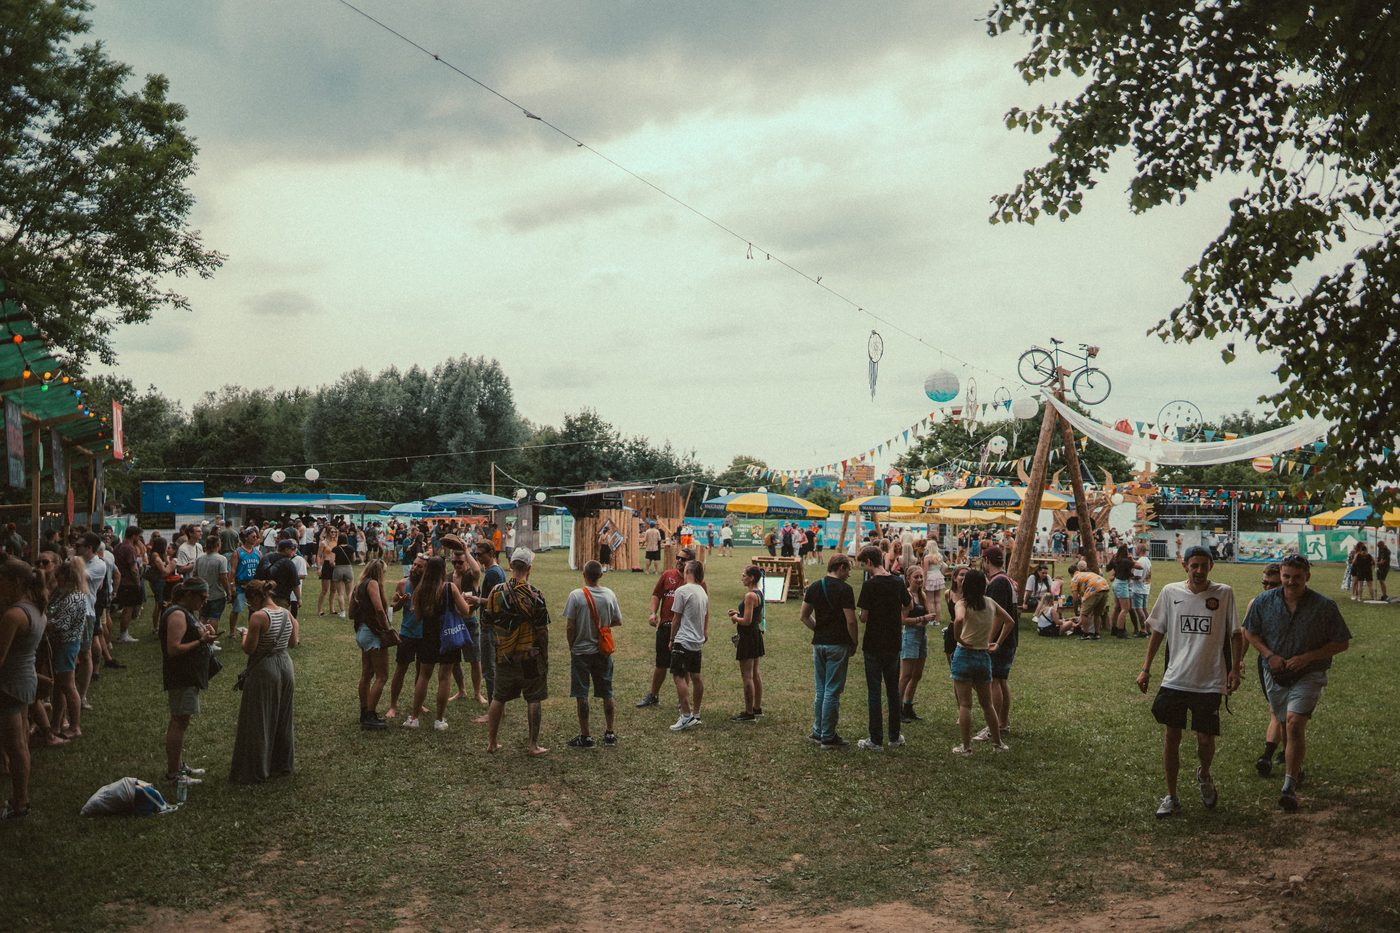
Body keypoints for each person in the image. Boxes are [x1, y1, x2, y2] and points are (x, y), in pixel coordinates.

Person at [1135, 545, 1243, 819]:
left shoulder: (1224, 593)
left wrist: (1234, 670)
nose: (1198, 570)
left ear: (1210, 567)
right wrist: (1146, 668)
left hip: (1210, 679)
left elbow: (1236, 634)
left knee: (1205, 739)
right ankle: (1172, 796)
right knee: (1172, 736)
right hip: (1176, 679)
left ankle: (1204, 774)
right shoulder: (1171, 592)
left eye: (1203, 565)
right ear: (1185, 565)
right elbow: (1157, 631)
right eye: (1193, 565)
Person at [1241, 554, 1351, 812]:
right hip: (1276, 673)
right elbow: (1250, 632)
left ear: (1307, 577)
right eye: (1286, 576)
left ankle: (1288, 786)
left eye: (1296, 577)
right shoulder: (1264, 601)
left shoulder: (1324, 606)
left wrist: (1307, 658)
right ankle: (1295, 768)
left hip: (1309, 673)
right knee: (1281, 721)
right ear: (1280, 575)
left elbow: (1342, 642)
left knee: (1294, 723)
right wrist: (1270, 656)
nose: (1290, 582)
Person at [229, 579, 298, 784]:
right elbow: (293, 642)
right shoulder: (286, 613)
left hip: (265, 668)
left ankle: (256, 768)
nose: (251, 606)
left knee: (259, 718)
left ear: (256, 597)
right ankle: (281, 764)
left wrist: (245, 634)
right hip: (285, 664)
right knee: (283, 716)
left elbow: (249, 649)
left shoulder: (259, 617)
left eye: (251, 602)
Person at [484, 548, 551, 754]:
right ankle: (532, 745)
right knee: (533, 698)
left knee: (498, 697)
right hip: (530, 655)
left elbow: (487, 621)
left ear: (511, 566)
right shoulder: (536, 595)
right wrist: (545, 656)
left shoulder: (495, 592)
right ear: (529, 568)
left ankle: (492, 743)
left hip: (505, 655)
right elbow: (542, 630)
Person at [0, 558, 49, 819]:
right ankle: (20, 799)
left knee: (15, 745)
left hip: (9, 684)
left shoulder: (13, 615)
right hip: (25, 679)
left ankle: (20, 802)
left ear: (15, 582)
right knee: (21, 743)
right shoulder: (35, 608)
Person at [159, 578, 218, 788]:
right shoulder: (177, 614)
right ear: (189, 595)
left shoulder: (185, 612)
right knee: (178, 721)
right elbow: (173, 649)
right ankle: (173, 774)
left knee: (182, 721)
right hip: (181, 675)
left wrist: (202, 632)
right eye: (202, 598)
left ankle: (179, 766)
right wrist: (201, 641)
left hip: (188, 675)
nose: (204, 602)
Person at [949, 569, 1014, 755]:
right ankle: (998, 744)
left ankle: (966, 747)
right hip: (983, 656)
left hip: (964, 655)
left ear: (965, 584)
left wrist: (959, 639)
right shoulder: (990, 603)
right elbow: (1009, 622)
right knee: (987, 705)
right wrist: (998, 644)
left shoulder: (962, 603)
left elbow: (959, 619)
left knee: (965, 704)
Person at [801, 554, 858, 749]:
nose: (849, 574)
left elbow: (804, 616)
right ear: (841, 567)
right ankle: (828, 736)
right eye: (848, 569)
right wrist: (854, 642)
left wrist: (818, 629)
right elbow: (851, 620)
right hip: (838, 644)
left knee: (821, 689)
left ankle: (818, 731)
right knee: (832, 690)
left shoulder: (815, 586)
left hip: (819, 644)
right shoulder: (845, 589)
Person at [855, 545, 909, 752]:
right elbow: (909, 604)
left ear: (869, 561)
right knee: (893, 690)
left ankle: (875, 739)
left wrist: (862, 615)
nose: (864, 568)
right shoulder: (897, 581)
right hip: (893, 642)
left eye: (863, 564)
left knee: (874, 691)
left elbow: (864, 616)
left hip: (873, 643)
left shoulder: (870, 585)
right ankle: (894, 736)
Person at [563, 560, 622, 748]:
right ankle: (610, 733)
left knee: (582, 693)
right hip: (602, 651)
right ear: (601, 575)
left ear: (584, 575)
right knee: (607, 692)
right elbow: (617, 620)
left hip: (581, 651)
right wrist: (601, 627)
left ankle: (586, 736)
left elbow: (570, 626)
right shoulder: (609, 595)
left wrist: (572, 645)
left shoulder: (576, 596)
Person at [637, 548, 692, 709]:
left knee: (683, 667)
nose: (679, 561)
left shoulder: (696, 581)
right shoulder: (667, 575)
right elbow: (656, 595)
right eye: (678, 558)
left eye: (683, 559)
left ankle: (683, 700)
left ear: (691, 562)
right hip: (665, 627)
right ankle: (653, 696)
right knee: (661, 664)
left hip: (684, 630)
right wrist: (653, 613)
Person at [1246, 563, 1286, 777]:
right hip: (1268, 665)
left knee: (1290, 713)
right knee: (1278, 710)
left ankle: (1274, 754)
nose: (1269, 588)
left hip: (1297, 665)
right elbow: (1247, 632)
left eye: (1274, 584)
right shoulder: (1257, 603)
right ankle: (1272, 755)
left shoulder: (1297, 604)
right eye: (1265, 584)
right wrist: (1239, 661)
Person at [979, 546, 1020, 740]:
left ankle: (994, 725)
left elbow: (998, 615)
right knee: (1002, 681)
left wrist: (990, 640)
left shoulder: (997, 583)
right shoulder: (1008, 579)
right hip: (1010, 638)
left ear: (986, 560)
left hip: (1000, 640)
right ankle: (1003, 723)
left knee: (995, 681)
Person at [45, 555, 87, 740]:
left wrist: (43, 621)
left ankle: (75, 726)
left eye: (58, 577)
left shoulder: (73, 598)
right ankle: (57, 723)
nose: (56, 580)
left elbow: (61, 625)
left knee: (68, 686)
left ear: (66, 577)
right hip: (63, 644)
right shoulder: (67, 594)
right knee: (60, 686)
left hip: (66, 644)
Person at [351, 559, 394, 729]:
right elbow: (379, 609)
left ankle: (364, 712)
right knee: (382, 676)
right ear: (379, 571)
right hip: (373, 633)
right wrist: (386, 630)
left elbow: (350, 613)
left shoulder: (359, 585)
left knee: (367, 674)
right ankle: (370, 714)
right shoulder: (373, 584)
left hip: (362, 631)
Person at [667, 559, 709, 732]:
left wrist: (671, 638)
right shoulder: (702, 592)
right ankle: (696, 713)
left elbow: (676, 618)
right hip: (696, 642)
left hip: (683, 639)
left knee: (678, 675)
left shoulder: (682, 591)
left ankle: (686, 715)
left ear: (688, 572)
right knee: (696, 677)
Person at [385, 553, 426, 723]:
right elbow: (392, 609)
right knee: (400, 670)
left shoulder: (429, 585)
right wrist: (401, 603)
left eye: (419, 566)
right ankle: (393, 705)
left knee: (421, 671)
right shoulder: (403, 583)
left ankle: (419, 703)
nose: (414, 568)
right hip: (407, 633)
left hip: (425, 635)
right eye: (414, 565)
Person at [472, 541, 506, 724]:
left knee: (489, 669)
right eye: (476, 554)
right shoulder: (497, 570)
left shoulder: (493, 573)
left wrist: (475, 599)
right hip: (496, 626)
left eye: (480, 554)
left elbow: (497, 601)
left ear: (491, 552)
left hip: (490, 626)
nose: (478, 557)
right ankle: (500, 707)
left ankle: (494, 711)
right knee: (494, 668)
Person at [727, 564, 765, 722]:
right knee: (755, 674)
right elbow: (755, 615)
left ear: (752, 578)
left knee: (747, 676)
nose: (742, 577)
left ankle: (749, 712)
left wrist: (735, 618)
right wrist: (739, 613)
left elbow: (747, 621)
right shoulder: (759, 593)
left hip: (748, 636)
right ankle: (757, 708)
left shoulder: (750, 596)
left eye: (744, 575)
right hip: (756, 635)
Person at [899, 566, 936, 724]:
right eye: (916, 577)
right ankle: (897, 709)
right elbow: (902, 620)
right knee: (906, 675)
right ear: (908, 578)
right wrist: (922, 619)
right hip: (910, 635)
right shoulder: (906, 595)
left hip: (922, 635)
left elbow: (926, 614)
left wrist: (929, 617)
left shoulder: (922, 594)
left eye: (921, 577)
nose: (920, 580)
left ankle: (908, 706)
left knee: (917, 675)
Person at [112, 526, 145, 644]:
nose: (139, 538)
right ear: (134, 536)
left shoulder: (118, 546)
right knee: (129, 609)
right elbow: (134, 569)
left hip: (121, 581)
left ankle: (123, 633)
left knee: (127, 608)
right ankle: (123, 634)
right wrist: (138, 582)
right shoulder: (129, 548)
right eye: (138, 536)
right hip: (129, 582)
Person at [195, 535, 233, 628]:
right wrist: (228, 592)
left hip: (202, 593)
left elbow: (195, 575)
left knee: (202, 616)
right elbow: (223, 577)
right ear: (217, 544)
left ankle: (201, 636)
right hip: (217, 594)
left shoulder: (199, 558)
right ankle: (211, 639)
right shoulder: (221, 559)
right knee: (214, 617)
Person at [229, 529, 262, 634]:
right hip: (241, 585)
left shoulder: (258, 553)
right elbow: (233, 570)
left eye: (256, 536)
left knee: (253, 610)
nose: (255, 538)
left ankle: (251, 630)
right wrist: (232, 585)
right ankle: (232, 631)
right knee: (237, 609)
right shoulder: (238, 552)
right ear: (246, 538)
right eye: (253, 536)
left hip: (254, 585)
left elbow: (261, 569)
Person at [1069, 562, 1110, 640]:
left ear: (1071, 574)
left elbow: (1075, 598)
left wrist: (1076, 609)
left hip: (1094, 589)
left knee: (1084, 614)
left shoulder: (1074, 578)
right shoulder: (1086, 573)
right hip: (1105, 587)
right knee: (1097, 614)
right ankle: (1097, 634)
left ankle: (1086, 634)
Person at [1130, 541, 1153, 637]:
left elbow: (1137, 576)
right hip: (1146, 587)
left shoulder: (1140, 562)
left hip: (1138, 589)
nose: (1135, 550)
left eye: (1136, 548)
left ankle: (1143, 629)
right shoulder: (1148, 560)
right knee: (1144, 609)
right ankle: (1148, 628)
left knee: (1139, 609)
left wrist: (1129, 576)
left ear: (1139, 550)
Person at [331, 533, 355, 618]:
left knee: (340, 593)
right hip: (348, 569)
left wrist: (335, 565)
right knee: (350, 593)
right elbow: (354, 559)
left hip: (338, 569)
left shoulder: (335, 549)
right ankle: (352, 611)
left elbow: (331, 561)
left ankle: (343, 612)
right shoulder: (351, 548)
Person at [317, 530, 337, 615]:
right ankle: (320, 609)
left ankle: (331, 609)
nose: (333, 533)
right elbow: (318, 555)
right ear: (328, 533)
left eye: (335, 532)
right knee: (324, 590)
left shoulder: (336, 542)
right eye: (332, 532)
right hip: (326, 565)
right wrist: (319, 567)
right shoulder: (323, 543)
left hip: (335, 566)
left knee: (334, 589)